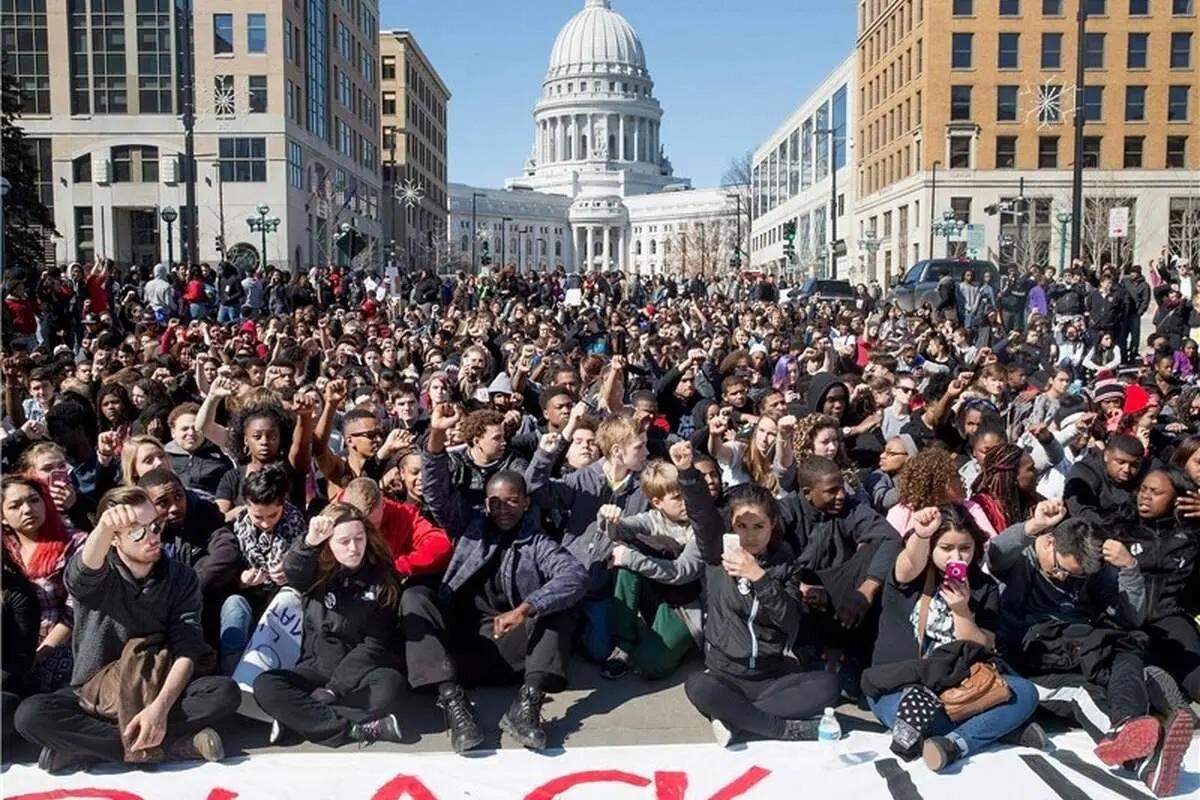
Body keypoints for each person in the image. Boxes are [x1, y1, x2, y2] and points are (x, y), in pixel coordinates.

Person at [14, 486, 239, 774]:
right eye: (137, 532)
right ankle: (169, 747)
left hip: (157, 686)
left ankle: (86, 747)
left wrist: (158, 709)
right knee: (30, 716)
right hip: (95, 694)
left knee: (224, 693)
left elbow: (188, 647)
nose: (152, 537)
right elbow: (81, 574)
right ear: (115, 540)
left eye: (155, 526)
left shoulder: (181, 577)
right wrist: (105, 526)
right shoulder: (98, 573)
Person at [987, 503, 1194, 797]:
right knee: (1085, 689)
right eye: (1059, 569)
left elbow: (1132, 617)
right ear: (1048, 542)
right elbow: (994, 554)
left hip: (1082, 652)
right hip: (1032, 656)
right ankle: (1136, 729)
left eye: (1075, 575)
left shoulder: (1089, 572)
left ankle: (1142, 752)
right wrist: (1031, 526)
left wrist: (1129, 569)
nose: (1063, 578)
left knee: (1126, 650)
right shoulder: (1023, 560)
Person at [423, 425, 588, 752]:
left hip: (512, 645)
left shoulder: (537, 542)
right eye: (495, 503)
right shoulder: (467, 526)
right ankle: (454, 702)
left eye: (512, 502)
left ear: (526, 503)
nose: (503, 509)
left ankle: (526, 706)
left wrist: (525, 608)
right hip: (465, 644)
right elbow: (435, 492)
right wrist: (438, 437)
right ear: (485, 504)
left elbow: (574, 575)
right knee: (416, 595)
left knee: (562, 606)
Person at [676, 442, 842, 746]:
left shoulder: (784, 563)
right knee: (698, 687)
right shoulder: (718, 555)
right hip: (724, 675)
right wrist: (687, 472)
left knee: (829, 685)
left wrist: (760, 578)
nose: (749, 535)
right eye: (741, 526)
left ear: (772, 525)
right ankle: (780, 729)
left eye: (758, 526)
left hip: (771, 677)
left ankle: (737, 721)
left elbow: (790, 622)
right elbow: (702, 516)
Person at [865, 505, 1040, 772]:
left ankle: (955, 744)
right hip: (901, 686)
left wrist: (961, 610)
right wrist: (921, 535)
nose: (956, 557)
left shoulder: (983, 586)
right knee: (914, 716)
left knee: (1024, 693)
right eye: (946, 548)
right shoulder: (910, 578)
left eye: (965, 548)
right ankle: (995, 728)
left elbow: (983, 646)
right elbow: (909, 562)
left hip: (960, 686)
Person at [252, 504, 405, 746]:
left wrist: (334, 690)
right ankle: (358, 729)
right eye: (344, 542)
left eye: (359, 539)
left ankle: (298, 722)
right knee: (266, 685)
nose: (354, 548)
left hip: (356, 673)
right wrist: (310, 542)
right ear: (330, 545)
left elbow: (373, 645)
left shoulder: (382, 580)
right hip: (315, 668)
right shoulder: (317, 574)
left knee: (390, 686)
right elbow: (293, 569)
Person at [597, 458, 704, 680]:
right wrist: (608, 519)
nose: (685, 501)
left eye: (686, 493)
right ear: (657, 502)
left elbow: (682, 572)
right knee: (626, 565)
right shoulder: (653, 519)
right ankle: (624, 644)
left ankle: (682, 642)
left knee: (649, 666)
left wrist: (631, 558)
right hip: (659, 596)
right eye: (677, 498)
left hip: (685, 604)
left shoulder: (700, 524)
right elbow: (621, 531)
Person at [196, 464, 307, 668]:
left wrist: (291, 570)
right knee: (234, 607)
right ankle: (231, 672)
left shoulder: (299, 527)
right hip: (247, 596)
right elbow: (225, 567)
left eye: (273, 516)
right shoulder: (236, 527)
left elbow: (311, 571)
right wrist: (241, 578)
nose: (265, 524)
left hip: (283, 601)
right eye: (258, 517)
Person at [1, 476, 86, 692]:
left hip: (63, 646)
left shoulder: (75, 544)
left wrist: (39, 655)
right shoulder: (6, 554)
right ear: (3, 517)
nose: (28, 509)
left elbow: (74, 613)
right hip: (15, 649)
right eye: (15, 505)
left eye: (34, 500)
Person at [1122, 469, 1200, 703]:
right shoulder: (1120, 527)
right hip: (1126, 619)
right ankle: (1166, 701)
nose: (1145, 496)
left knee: (1194, 675)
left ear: (1178, 500)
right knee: (1129, 671)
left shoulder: (1193, 535)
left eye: (1155, 492)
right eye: (1143, 489)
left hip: (1171, 616)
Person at [165, 402, 230, 497]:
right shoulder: (163, 457)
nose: (191, 433)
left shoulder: (222, 452)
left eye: (196, 428)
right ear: (173, 433)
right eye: (185, 429)